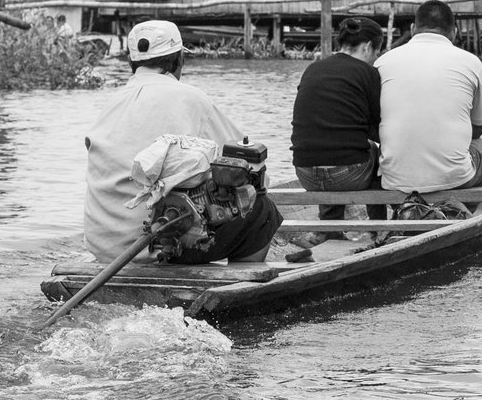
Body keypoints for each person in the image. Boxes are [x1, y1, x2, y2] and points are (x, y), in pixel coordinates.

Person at [82, 19, 283, 264]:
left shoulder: (110, 104)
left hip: (104, 247)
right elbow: (247, 164)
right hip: (160, 246)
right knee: (260, 206)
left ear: (131, 63)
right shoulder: (191, 99)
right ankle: (244, 281)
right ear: (179, 61)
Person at [375, 0, 482, 195]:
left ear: (413, 28)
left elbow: (376, 122)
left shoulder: (382, 62)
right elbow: (478, 129)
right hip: (453, 178)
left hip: (395, 179)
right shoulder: (471, 62)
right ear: (454, 32)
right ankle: (465, 209)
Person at [290, 15, 387, 237]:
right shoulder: (369, 73)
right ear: (369, 47)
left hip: (305, 172)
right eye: (377, 53)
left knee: (331, 146)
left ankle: (330, 229)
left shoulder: (313, 69)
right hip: (347, 174)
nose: (376, 58)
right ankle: (378, 229)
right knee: (378, 152)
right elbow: (377, 129)